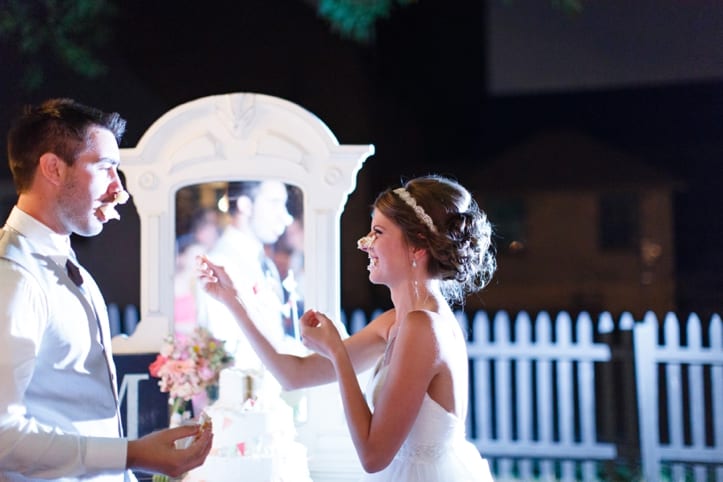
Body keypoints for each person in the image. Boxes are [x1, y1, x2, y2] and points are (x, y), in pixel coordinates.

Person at [198, 174, 497, 481]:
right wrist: (233, 300)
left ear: (417, 246)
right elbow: (293, 374)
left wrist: (337, 352)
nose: (364, 244)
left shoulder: (424, 327)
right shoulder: (397, 322)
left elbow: (373, 455)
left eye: (378, 232)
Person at [0, 98, 213, 481]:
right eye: (105, 169)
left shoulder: (62, 263)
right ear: (52, 168)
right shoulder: (13, 275)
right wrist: (132, 454)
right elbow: (2, 437)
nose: (120, 190)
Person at [201, 180, 298, 367]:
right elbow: (227, 349)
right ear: (245, 205)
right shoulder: (219, 264)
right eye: (274, 202)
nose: (286, 217)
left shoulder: (264, 262)